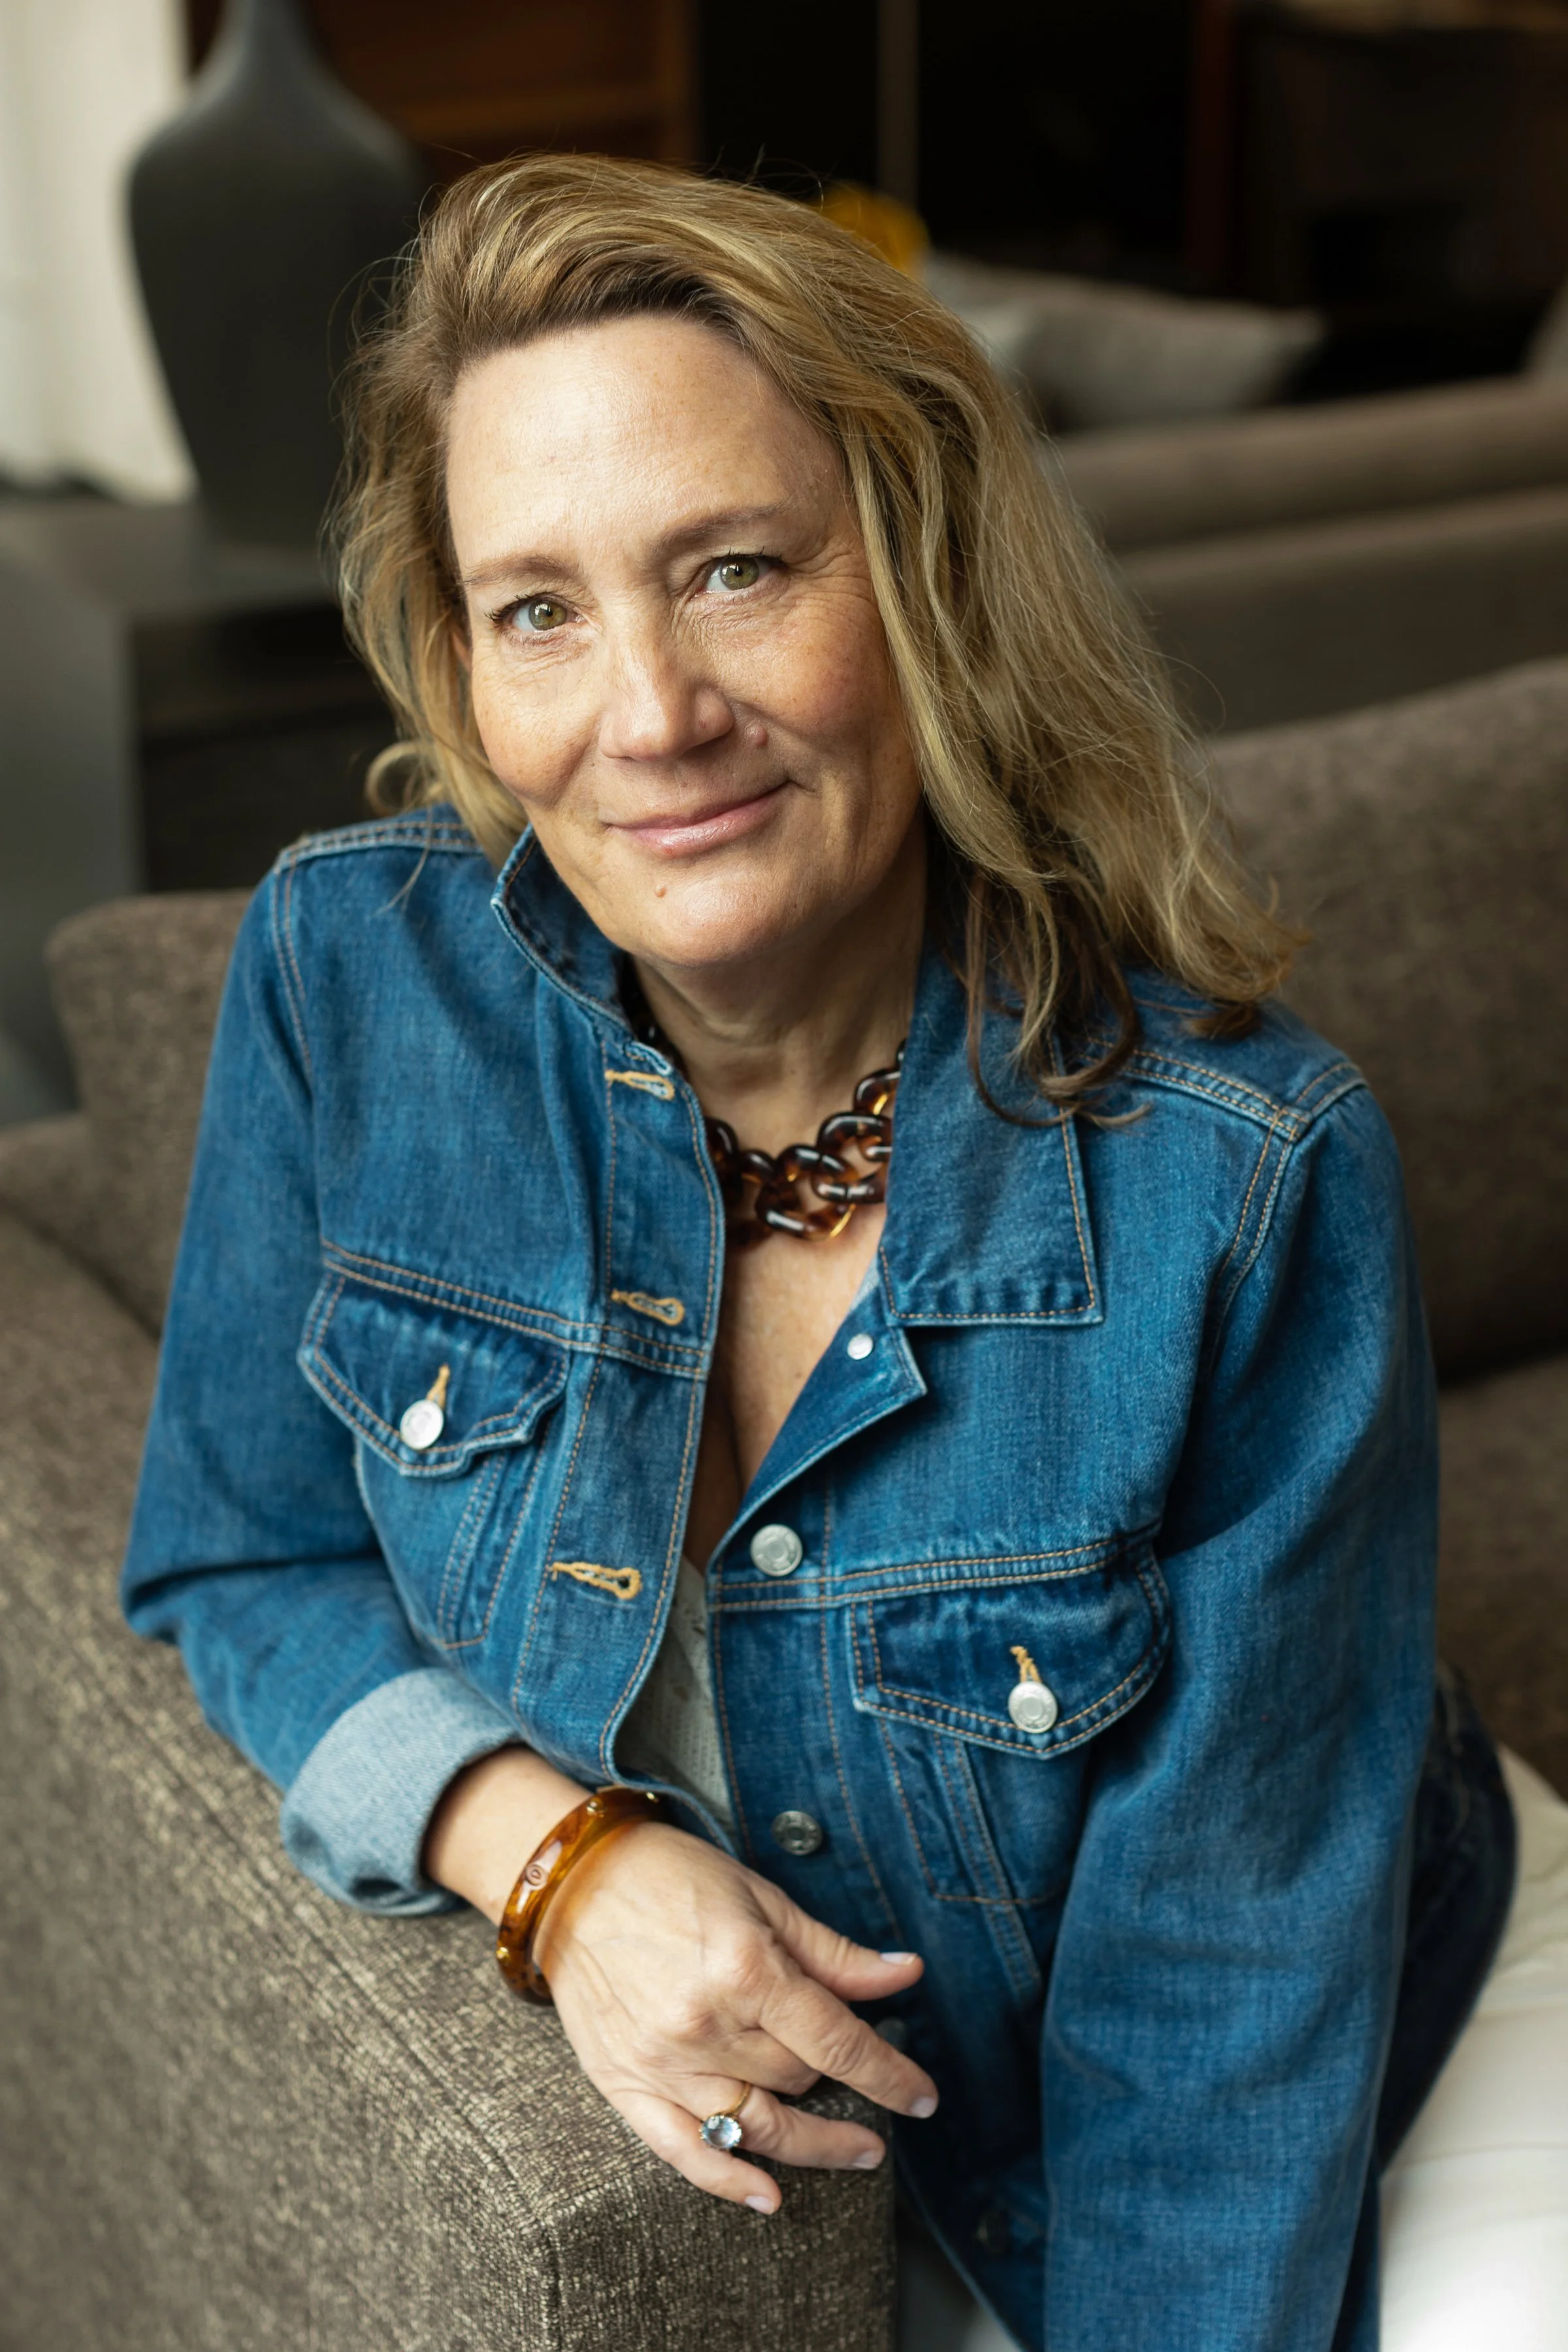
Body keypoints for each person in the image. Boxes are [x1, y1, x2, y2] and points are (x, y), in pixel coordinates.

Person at [122, 154, 1518, 2351]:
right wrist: (555, 1862)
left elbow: (1218, 2041)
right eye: (542, 610)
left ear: (930, 583)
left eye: (738, 569)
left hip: (1337, 1970)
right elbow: (237, 1555)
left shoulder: (1240, 1181)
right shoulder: (346, 984)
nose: (652, 715)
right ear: (461, 657)